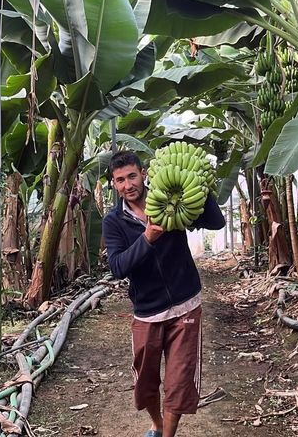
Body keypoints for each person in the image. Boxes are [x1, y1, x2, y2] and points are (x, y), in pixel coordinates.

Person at [102, 150, 225, 437]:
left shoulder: (170, 200)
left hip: (185, 303)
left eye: (132, 176)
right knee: (145, 381)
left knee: (179, 380)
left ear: (143, 174)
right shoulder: (114, 221)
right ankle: (156, 424)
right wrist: (147, 238)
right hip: (147, 310)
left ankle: (167, 435)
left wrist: (200, 186)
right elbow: (118, 267)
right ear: (114, 183)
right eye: (120, 180)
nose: (127, 185)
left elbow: (216, 223)